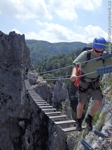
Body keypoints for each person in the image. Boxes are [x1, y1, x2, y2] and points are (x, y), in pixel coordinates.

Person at [70, 37, 112, 131]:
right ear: (93, 47)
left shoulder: (103, 56)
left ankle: (89, 118)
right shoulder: (86, 55)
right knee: (81, 103)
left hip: (95, 82)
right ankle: (79, 121)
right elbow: (76, 65)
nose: (99, 53)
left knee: (99, 103)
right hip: (84, 82)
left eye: (102, 51)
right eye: (97, 51)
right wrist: (73, 74)